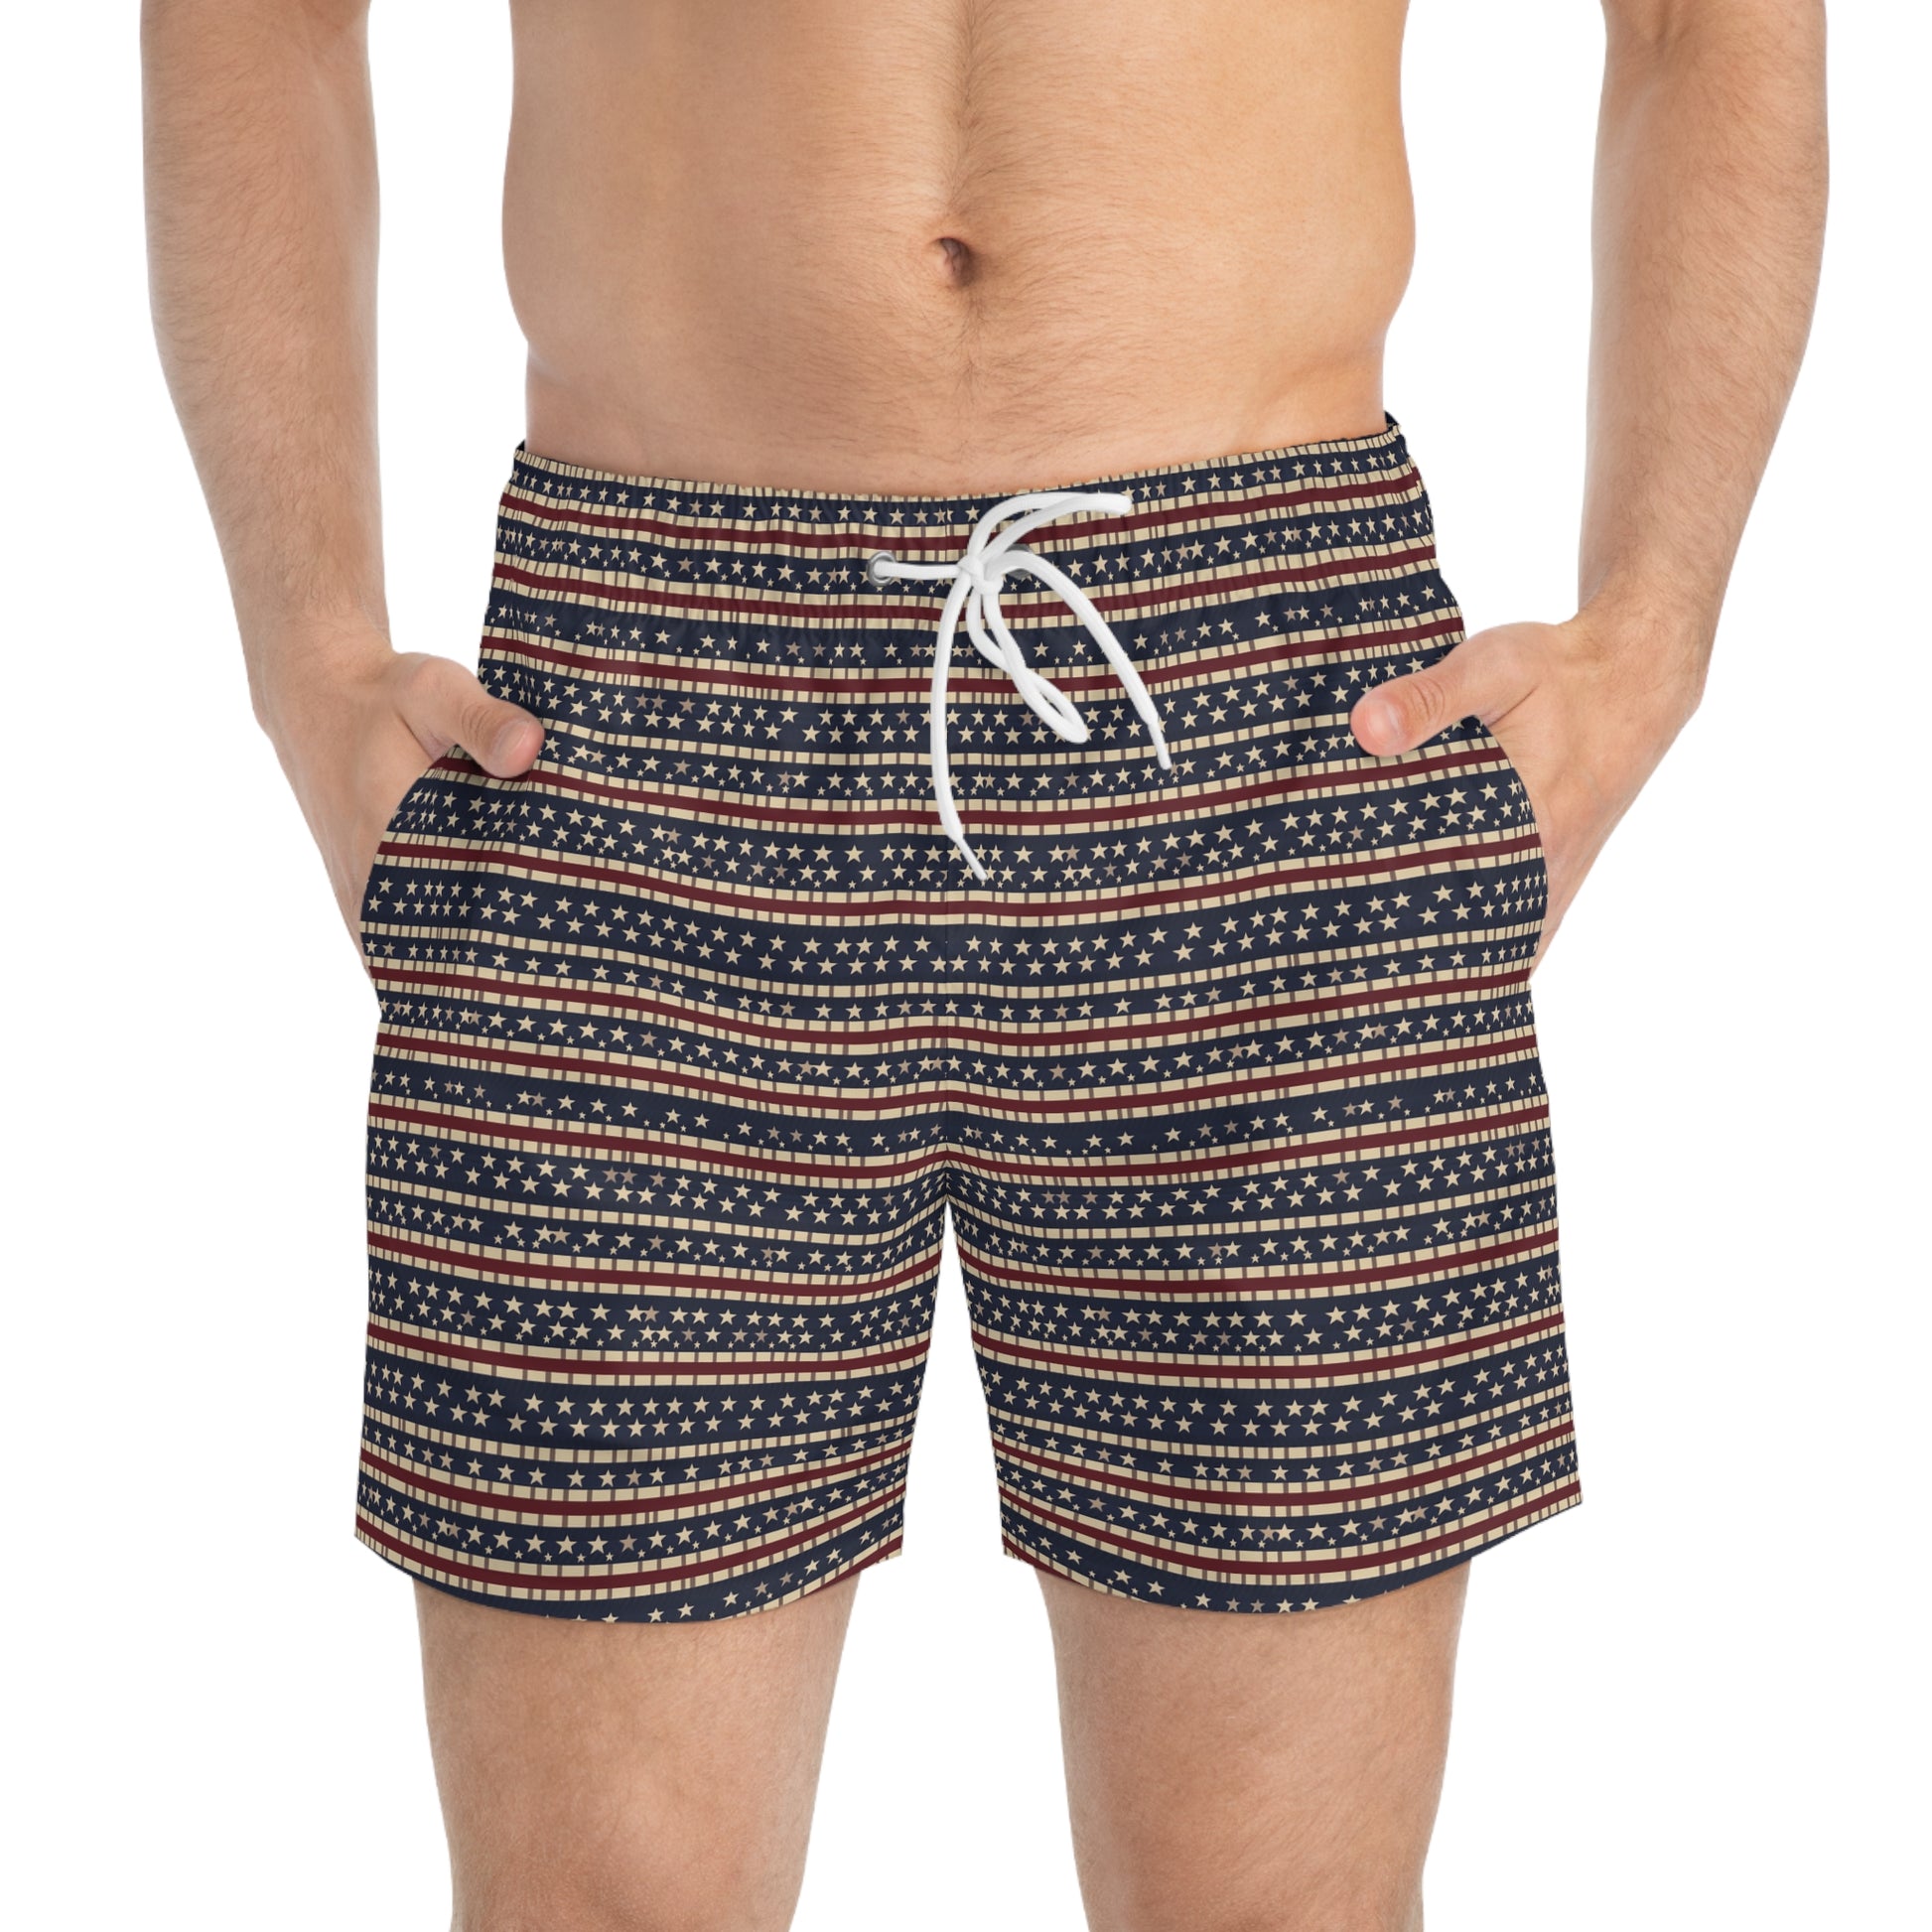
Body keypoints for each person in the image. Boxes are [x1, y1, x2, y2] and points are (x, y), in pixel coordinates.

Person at [142, 3, 1826, 1927]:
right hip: (647, 716)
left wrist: (1655, 624)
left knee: (1273, 1902)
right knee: (600, 1897)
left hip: (1270, 712)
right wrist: (305, 647)